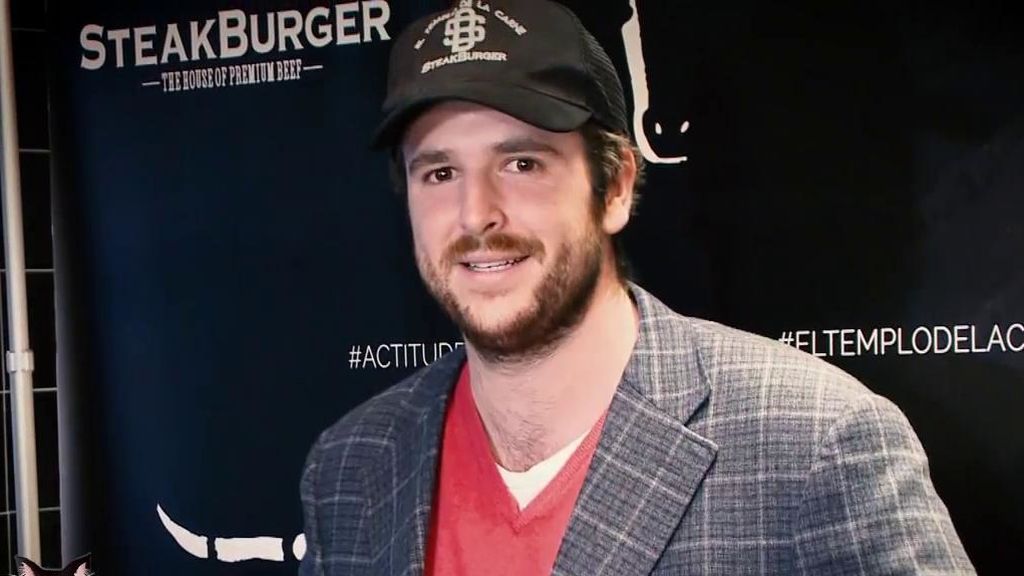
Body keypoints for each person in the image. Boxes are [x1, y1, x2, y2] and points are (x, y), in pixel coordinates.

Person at [300, 1, 974, 574]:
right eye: (439, 173)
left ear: (616, 186)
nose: (476, 215)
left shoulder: (818, 443)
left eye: (522, 163)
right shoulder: (350, 465)